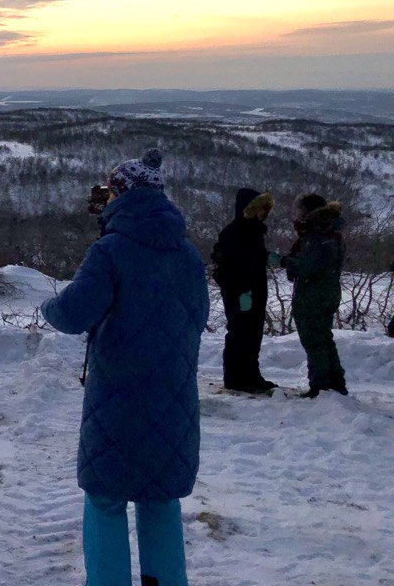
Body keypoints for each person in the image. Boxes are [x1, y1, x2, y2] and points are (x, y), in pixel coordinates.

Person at [40, 149, 209, 586]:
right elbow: (198, 319)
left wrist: (48, 306)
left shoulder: (110, 250)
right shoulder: (189, 254)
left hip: (118, 395)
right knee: (160, 499)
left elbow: (73, 314)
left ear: (120, 195)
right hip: (174, 394)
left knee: (106, 499)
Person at [211, 189, 276, 394]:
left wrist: (271, 258)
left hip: (255, 288)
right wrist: (241, 291)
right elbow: (231, 264)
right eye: (260, 208)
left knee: (253, 332)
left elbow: (255, 257)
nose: (264, 213)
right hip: (240, 291)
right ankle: (235, 377)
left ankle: (251, 375)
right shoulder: (233, 232)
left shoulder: (254, 231)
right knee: (239, 332)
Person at [282, 193, 347, 398]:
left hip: (313, 294)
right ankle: (335, 380)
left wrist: (283, 261)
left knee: (314, 339)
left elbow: (308, 267)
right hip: (329, 291)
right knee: (324, 337)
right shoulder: (331, 232)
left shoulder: (315, 235)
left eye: (301, 210)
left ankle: (320, 384)